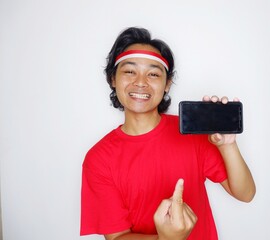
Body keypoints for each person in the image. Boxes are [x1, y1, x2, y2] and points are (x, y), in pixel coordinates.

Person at [80, 27, 256, 240]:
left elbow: (245, 194)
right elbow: (117, 237)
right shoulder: (99, 159)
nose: (141, 82)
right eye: (129, 71)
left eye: (153, 73)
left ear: (167, 84)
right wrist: (166, 238)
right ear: (112, 79)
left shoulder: (191, 135)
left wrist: (227, 145)